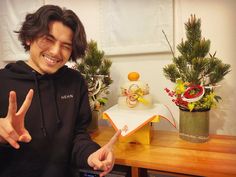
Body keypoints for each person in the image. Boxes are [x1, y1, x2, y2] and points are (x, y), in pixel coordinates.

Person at [0, 4, 120, 177]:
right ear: (29, 38)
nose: (56, 51)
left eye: (65, 46)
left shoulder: (74, 81)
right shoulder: (3, 81)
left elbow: (78, 136)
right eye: (48, 39)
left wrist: (91, 154)